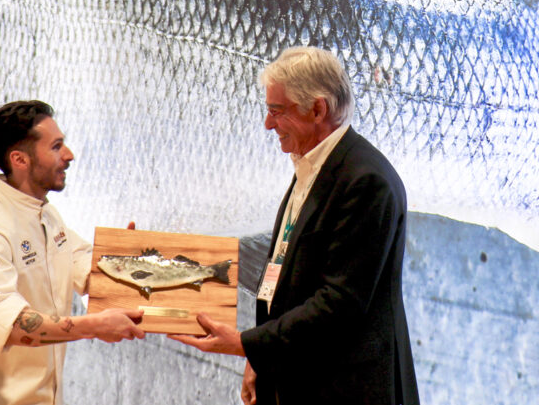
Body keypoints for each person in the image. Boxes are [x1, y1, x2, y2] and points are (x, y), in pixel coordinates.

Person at [173, 47, 419, 405]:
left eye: (276, 111)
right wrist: (262, 356)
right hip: (300, 380)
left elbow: (340, 303)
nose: (267, 124)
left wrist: (248, 344)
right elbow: (284, 271)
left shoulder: (366, 180)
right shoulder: (313, 163)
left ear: (317, 109)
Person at [0, 100, 145, 405]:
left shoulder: (49, 218)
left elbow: (90, 269)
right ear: (20, 159)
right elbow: (14, 326)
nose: (69, 156)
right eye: (56, 147)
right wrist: (95, 326)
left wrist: (125, 261)